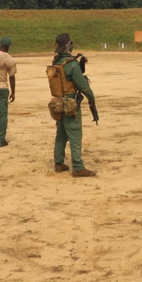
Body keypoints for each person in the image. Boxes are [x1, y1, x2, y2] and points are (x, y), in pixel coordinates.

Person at [47, 33, 97, 177]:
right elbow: (83, 86)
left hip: (58, 103)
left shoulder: (56, 63)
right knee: (75, 134)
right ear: (68, 46)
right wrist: (91, 98)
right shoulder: (72, 64)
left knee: (61, 134)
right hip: (70, 104)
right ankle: (77, 166)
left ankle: (58, 162)